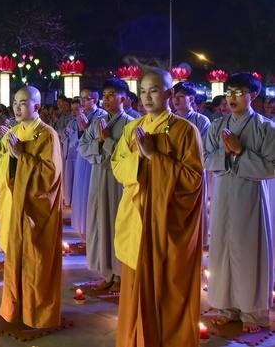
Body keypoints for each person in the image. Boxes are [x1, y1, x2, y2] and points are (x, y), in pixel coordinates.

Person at [112, 69, 204, 346]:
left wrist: (155, 156)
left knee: (167, 283)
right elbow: (118, 167)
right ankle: (135, 338)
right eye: (142, 91)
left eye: (153, 90)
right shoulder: (132, 128)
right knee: (134, 282)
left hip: (166, 220)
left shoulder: (184, 130)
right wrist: (139, 160)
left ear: (169, 93)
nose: (147, 97)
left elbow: (193, 179)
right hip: (136, 216)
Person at [204, 73, 275, 334]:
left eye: (238, 92)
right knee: (222, 250)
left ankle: (252, 312)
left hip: (250, 197)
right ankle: (227, 308)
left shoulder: (266, 128)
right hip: (223, 195)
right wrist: (225, 152)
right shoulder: (217, 126)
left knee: (248, 251)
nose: (231, 98)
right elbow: (205, 159)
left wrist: (241, 151)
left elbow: (271, 167)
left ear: (253, 95)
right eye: (229, 92)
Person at [0, 86, 63, 328]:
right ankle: (14, 309)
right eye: (15, 102)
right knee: (14, 258)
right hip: (15, 205)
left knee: (35, 260)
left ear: (37, 106)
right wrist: (12, 158)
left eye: (23, 103)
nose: (17, 107)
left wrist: (22, 157)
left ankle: (37, 313)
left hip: (35, 209)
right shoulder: (12, 132)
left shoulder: (47, 135)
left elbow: (49, 176)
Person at [79, 78, 133, 294]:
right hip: (98, 175)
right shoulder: (98, 122)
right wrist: (99, 142)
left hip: (119, 181)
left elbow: (129, 156)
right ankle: (107, 273)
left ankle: (121, 275)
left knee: (117, 224)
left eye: (112, 95)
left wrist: (108, 141)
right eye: (105, 95)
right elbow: (83, 147)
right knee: (100, 223)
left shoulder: (131, 124)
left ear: (124, 99)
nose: (107, 99)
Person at [172, 82, 211, 247]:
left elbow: (203, 147)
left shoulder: (201, 120)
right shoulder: (169, 119)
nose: (176, 100)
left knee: (194, 208)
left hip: (193, 170)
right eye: (174, 97)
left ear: (192, 99)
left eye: (181, 96)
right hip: (171, 170)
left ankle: (195, 244)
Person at [71, 88, 107, 237]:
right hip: (82, 156)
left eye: (86, 98)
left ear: (95, 100)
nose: (83, 102)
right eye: (81, 98)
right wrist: (81, 131)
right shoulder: (82, 115)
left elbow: (101, 139)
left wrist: (85, 129)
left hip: (93, 159)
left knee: (89, 191)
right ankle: (81, 227)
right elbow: (77, 137)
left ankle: (90, 230)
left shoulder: (102, 116)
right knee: (80, 189)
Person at [61, 98, 82, 208]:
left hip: (78, 154)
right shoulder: (71, 122)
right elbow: (64, 137)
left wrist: (72, 135)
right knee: (69, 177)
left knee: (77, 178)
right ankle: (68, 199)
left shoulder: (82, 121)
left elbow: (80, 137)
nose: (74, 112)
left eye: (77, 110)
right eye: (73, 110)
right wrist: (66, 134)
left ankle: (75, 200)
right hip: (69, 154)